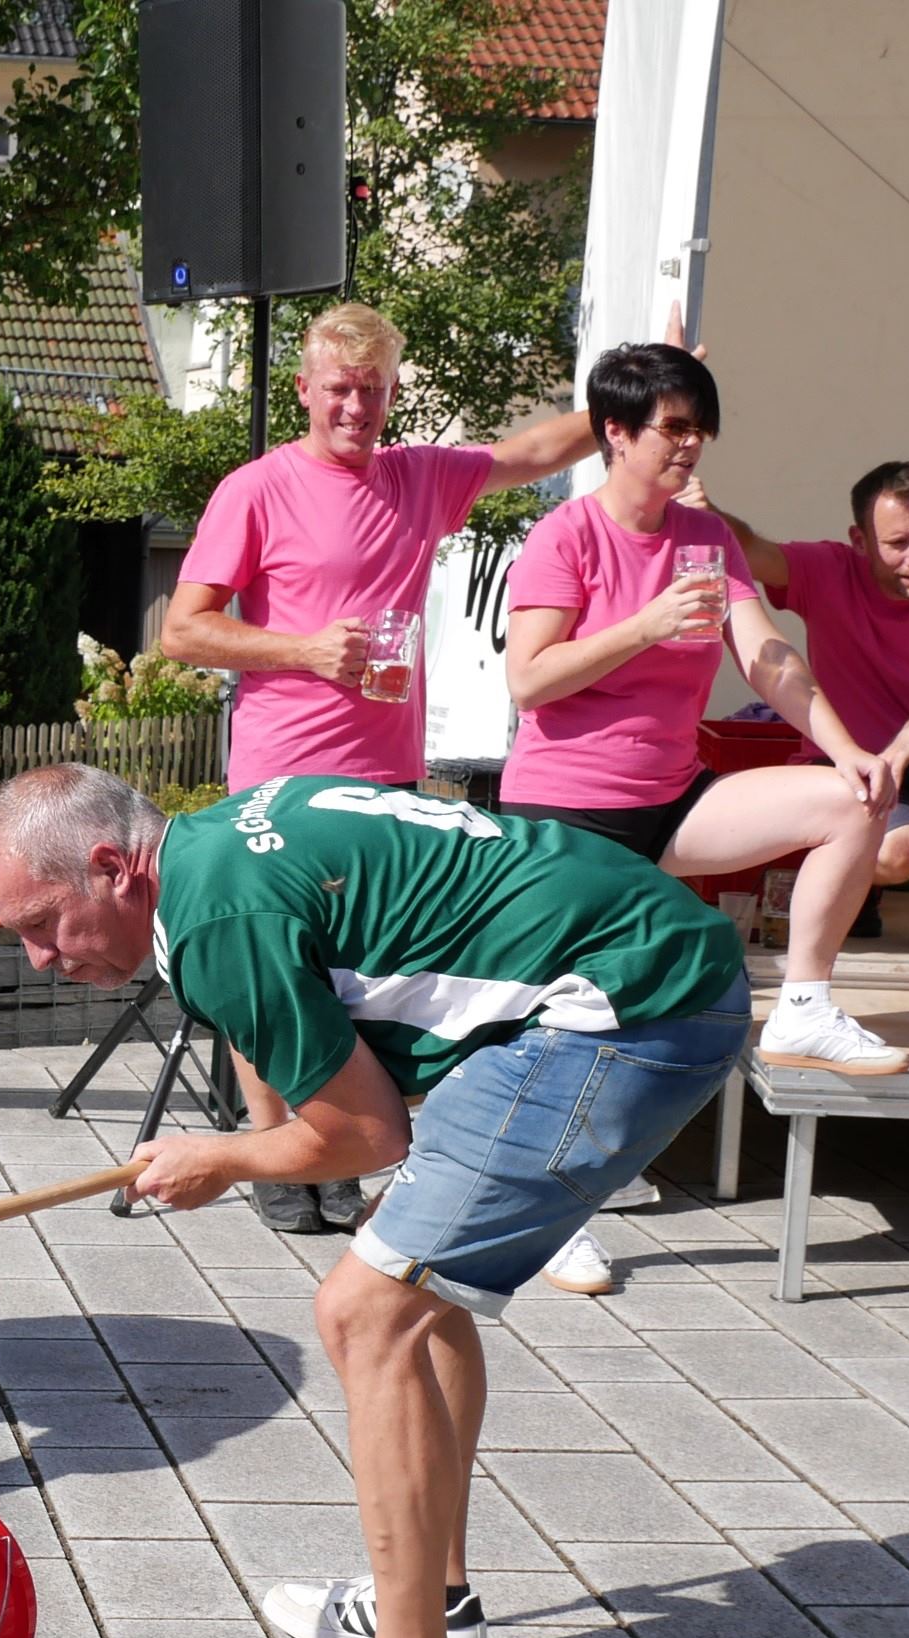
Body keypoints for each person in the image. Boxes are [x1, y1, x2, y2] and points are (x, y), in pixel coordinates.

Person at [0, 764, 747, 1638]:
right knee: (414, 1288)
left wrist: (219, 1157)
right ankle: (437, 1606)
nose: (37, 959)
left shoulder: (215, 921)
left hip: (626, 1003)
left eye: (41, 923)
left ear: (112, 868)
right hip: (627, 969)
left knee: (365, 1311)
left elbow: (360, 1132)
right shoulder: (218, 847)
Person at [163, 301, 667, 1236]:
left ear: (393, 394)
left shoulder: (418, 477)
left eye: (375, 393)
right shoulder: (256, 488)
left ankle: (337, 1146)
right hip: (281, 773)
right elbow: (183, 629)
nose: (356, 410)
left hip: (386, 781)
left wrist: (640, 393)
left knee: (367, 978)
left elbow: (532, 452)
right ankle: (273, 1155)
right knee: (266, 972)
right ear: (307, 390)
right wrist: (307, 652)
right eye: (340, 392)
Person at [498, 341, 908, 1295]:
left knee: (854, 801)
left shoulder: (705, 537)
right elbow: (528, 682)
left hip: (674, 800)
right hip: (569, 813)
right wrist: (642, 625)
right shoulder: (569, 536)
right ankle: (553, 1214)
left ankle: (804, 1006)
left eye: (701, 428)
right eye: (674, 429)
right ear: (616, 434)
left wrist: (847, 746)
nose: (692, 447)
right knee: (576, 1022)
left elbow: (767, 656)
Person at [697, 459, 909, 949]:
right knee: (899, 854)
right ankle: (852, 883)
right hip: (850, 771)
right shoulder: (825, 568)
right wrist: (705, 513)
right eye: (898, 543)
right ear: (860, 541)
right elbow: (751, 550)